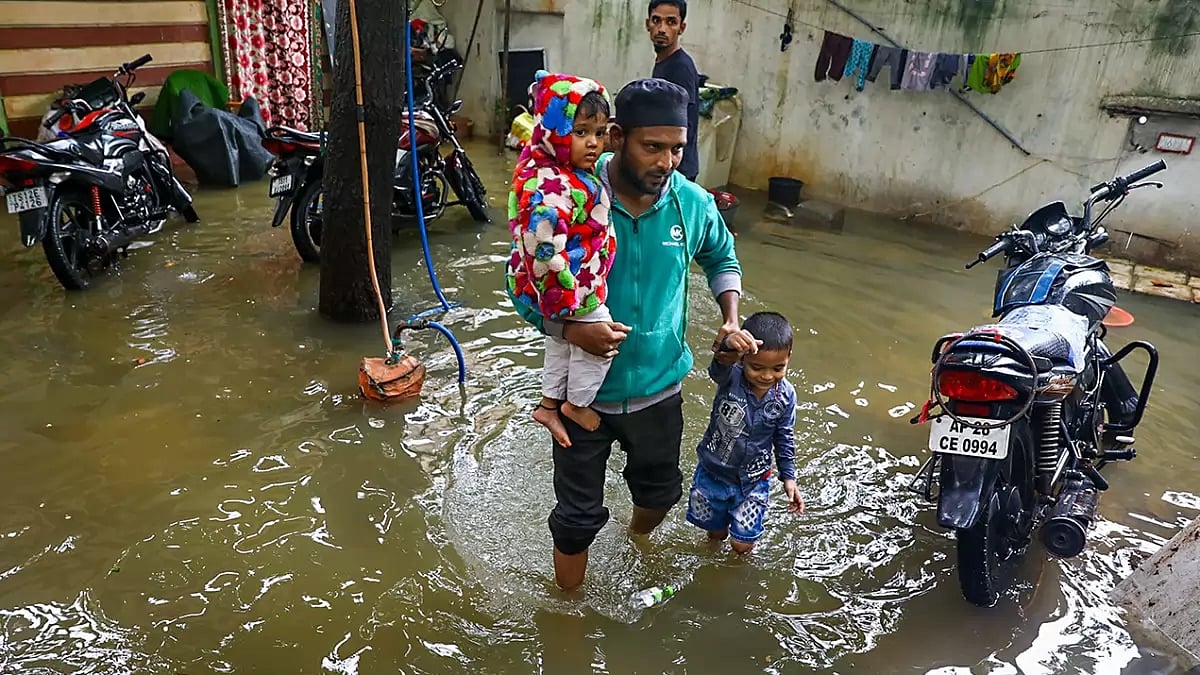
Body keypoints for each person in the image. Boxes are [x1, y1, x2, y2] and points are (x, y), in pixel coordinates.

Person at [507, 78, 743, 591]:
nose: (667, 162)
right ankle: (568, 613)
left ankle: (636, 538)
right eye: (652, 147)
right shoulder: (569, 196)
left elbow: (722, 258)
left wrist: (730, 317)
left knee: (660, 496)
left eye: (677, 149)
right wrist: (571, 329)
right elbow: (524, 285)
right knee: (575, 521)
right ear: (616, 137)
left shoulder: (693, 204)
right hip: (582, 397)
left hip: (659, 388)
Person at [506, 71, 615, 446]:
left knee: (560, 346)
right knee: (601, 342)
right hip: (569, 286)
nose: (593, 143)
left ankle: (549, 405)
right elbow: (543, 249)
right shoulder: (551, 187)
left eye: (600, 132)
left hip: (561, 286)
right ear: (555, 131)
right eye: (581, 132)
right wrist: (564, 301)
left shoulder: (558, 169)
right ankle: (577, 405)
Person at [686, 312, 805, 554]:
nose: (767, 376)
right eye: (757, 367)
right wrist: (728, 344)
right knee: (716, 532)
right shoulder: (731, 377)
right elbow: (717, 368)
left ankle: (738, 564)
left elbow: (784, 437)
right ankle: (713, 547)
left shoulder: (785, 396)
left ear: (789, 358)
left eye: (778, 368)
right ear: (742, 359)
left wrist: (789, 478)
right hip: (714, 472)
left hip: (754, 480)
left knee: (742, 544)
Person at [647, 0, 700, 182]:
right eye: (656, 20)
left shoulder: (680, 67)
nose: (662, 29)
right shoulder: (663, 61)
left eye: (671, 22)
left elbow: (682, 124)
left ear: (681, 28)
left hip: (676, 169)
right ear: (648, 24)